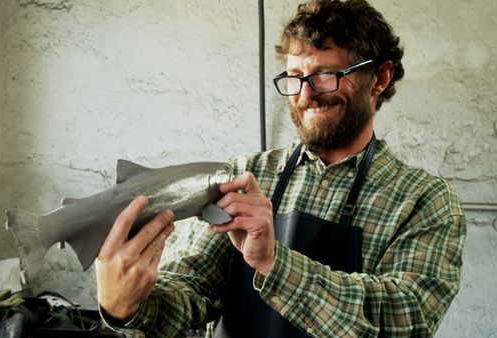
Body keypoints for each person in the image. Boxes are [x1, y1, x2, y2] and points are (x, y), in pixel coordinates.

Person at [95, 0, 466, 337]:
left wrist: (272, 260)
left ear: (379, 79)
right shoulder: (244, 175)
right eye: (295, 78)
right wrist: (128, 304)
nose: (305, 95)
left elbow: (404, 323)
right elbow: (191, 293)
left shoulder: (424, 199)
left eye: (325, 75)